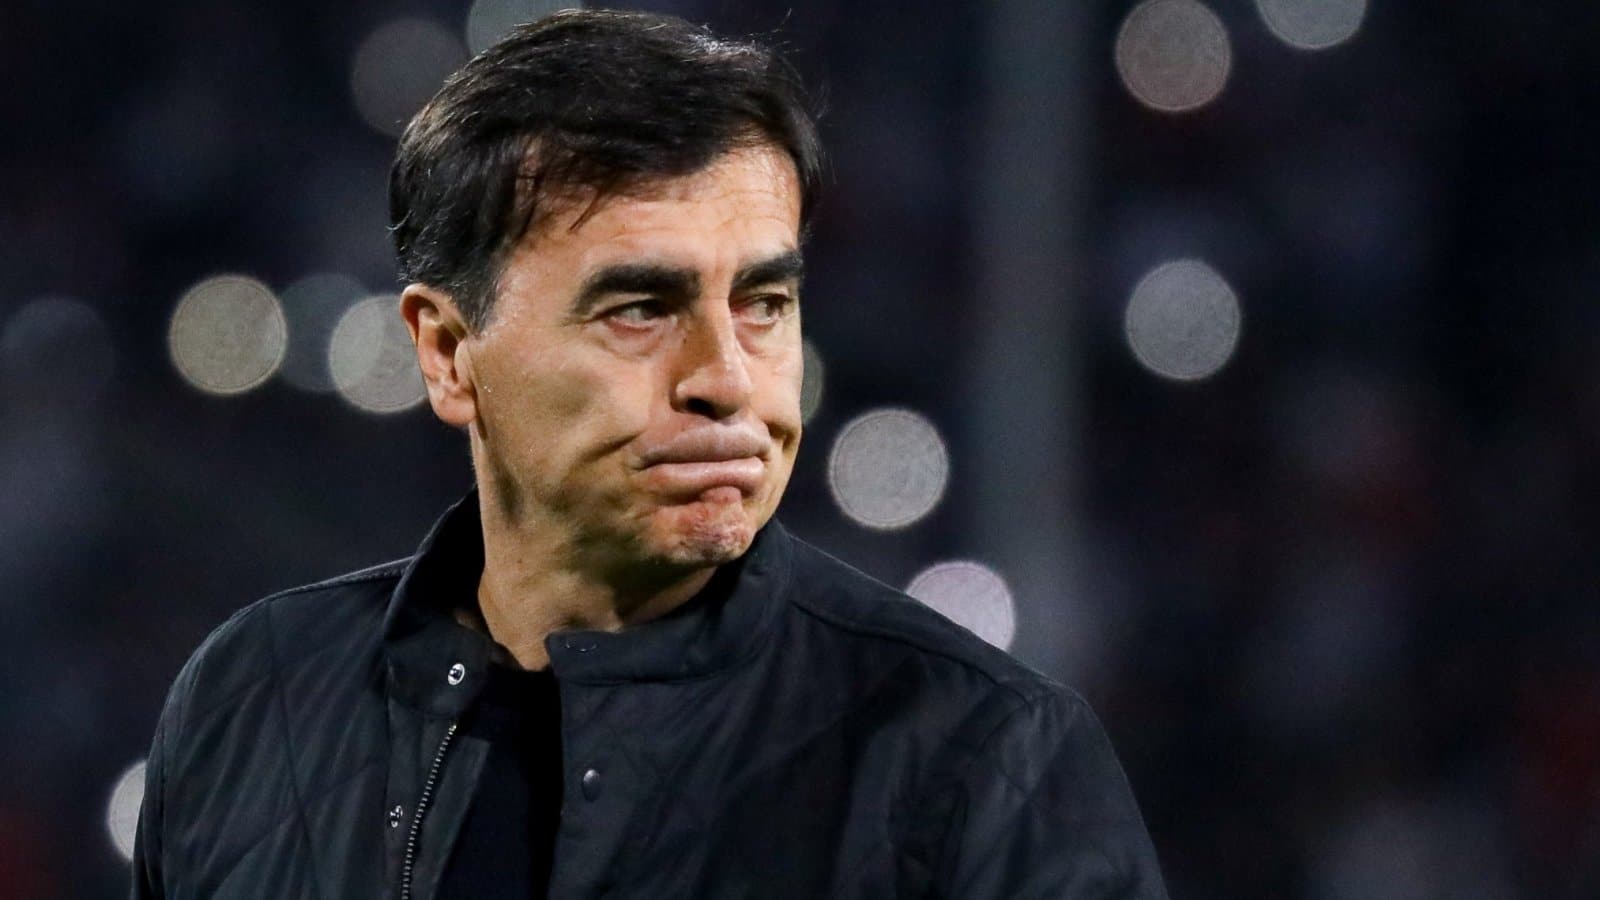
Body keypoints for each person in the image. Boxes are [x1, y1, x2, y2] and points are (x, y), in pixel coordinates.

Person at [131, 9, 1168, 899]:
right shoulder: (254, 699)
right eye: (639, 308)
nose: (726, 377)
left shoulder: (982, 761)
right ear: (447, 354)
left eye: (764, 303)